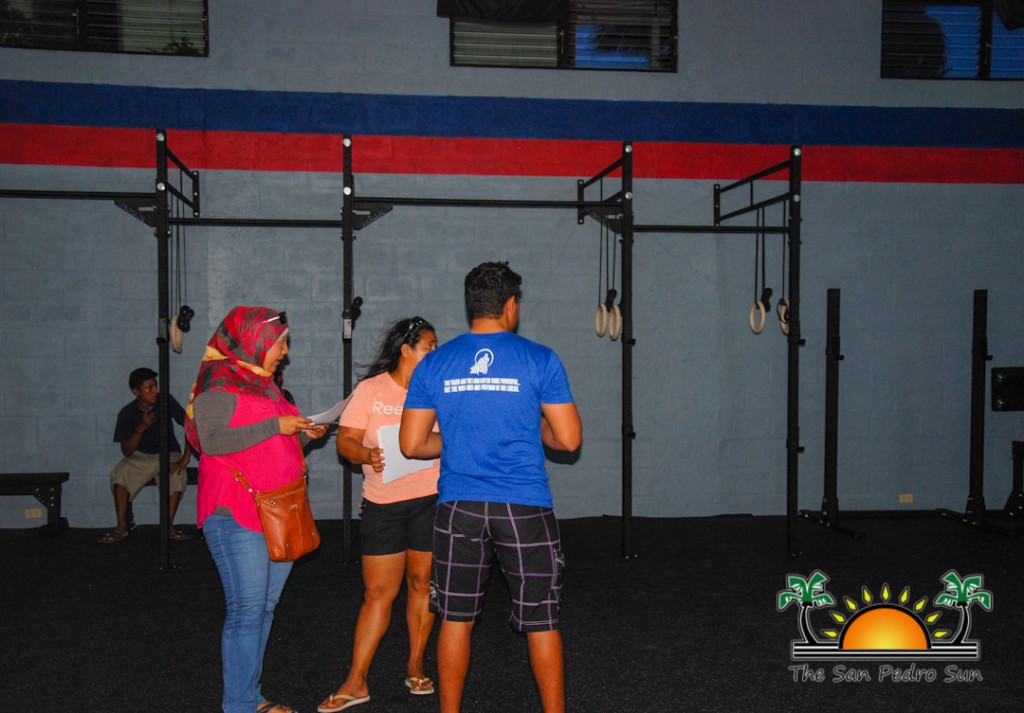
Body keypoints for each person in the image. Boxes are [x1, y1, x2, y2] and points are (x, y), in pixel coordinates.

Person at [400, 262, 582, 713]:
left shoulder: (434, 363)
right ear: (511, 305)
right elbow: (568, 440)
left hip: (459, 505)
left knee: (455, 619)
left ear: (471, 306)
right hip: (523, 505)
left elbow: (412, 444)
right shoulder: (540, 358)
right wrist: (536, 427)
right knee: (541, 621)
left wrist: (461, 437)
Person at [184, 306, 327, 713]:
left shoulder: (265, 385)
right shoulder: (218, 382)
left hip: (278, 510)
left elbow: (268, 442)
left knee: (263, 608)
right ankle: (239, 704)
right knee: (246, 610)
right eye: (280, 343)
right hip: (235, 512)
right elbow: (212, 441)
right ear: (254, 340)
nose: (284, 351)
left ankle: (251, 696)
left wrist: (304, 433)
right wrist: (277, 426)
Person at [318, 316, 441, 713]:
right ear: (406, 350)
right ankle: (356, 680)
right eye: (428, 346)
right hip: (383, 504)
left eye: (436, 346)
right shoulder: (371, 390)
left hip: (431, 498)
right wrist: (366, 454)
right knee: (377, 593)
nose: (435, 352)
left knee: (422, 583)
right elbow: (346, 442)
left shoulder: (438, 388)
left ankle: (416, 666)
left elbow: (454, 434)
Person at [99, 367, 192, 544]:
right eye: (149, 388)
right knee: (121, 474)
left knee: (177, 475)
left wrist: (185, 458)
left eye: (155, 386)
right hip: (142, 456)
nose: (155, 391)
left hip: (169, 453)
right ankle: (122, 527)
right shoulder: (127, 413)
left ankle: (168, 526)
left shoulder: (166, 401)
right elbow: (127, 451)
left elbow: (190, 425)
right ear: (136, 392)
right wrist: (140, 429)